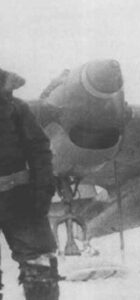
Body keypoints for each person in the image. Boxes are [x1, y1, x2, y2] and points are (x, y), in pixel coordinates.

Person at [0, 68, 60, 300]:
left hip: (19, 200)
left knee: (40, 269)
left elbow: (39, 150)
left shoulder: (16, 109)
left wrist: (42, 191)